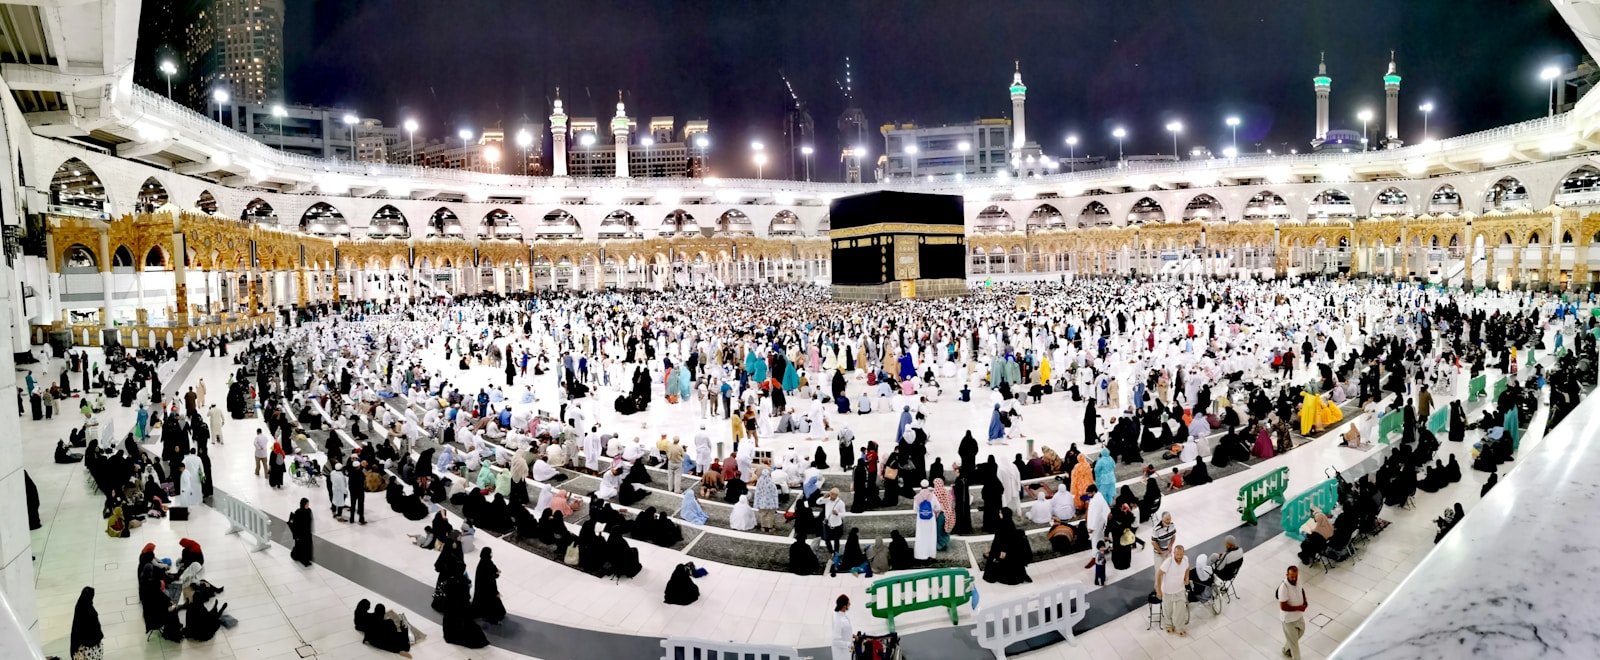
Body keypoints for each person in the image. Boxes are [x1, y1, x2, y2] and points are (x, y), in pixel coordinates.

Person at [1157, 544, 1191, 636]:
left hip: (1180, 590)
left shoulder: (1185, 560)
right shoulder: (1168, 562)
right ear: (1174, 553)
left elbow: (1187, 569)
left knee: (1180, 610)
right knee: (1168, 610)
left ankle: (1179, 627)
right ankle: (1168, 625)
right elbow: (1158, 574)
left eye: (1181, 554)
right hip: (1167, 591)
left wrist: (1186, 578)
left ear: (1183, 553)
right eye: (1177, 555)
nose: (1179, 557)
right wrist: (1158, 590)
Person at [1278, 565, 1308, 659]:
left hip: (1298, 616)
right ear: (1287, 575)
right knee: (1294, 645)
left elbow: (1301, 589)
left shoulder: (1298, 578)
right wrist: (1299, 607)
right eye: (1292, 576)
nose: (1294, 578)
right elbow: (1283, 606)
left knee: (1301, 632)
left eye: (1296, 576)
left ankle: (1286, 649)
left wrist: (1305, 600)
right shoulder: (1283, 587)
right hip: (1288, 620)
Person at [472, 547, 506, 623]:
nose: (491, 554)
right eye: (490, 552)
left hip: (483, 588)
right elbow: (490, 577)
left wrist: (496, 572)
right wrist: (496, 573)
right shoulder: (486, 563)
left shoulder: (484, 562)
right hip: (488, 589)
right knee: (492, 605)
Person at [70, 586, 103, 660]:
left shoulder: (79, 606)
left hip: (85, 645)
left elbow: (75, 629)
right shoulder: (90, 610)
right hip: (89, 647)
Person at [289, 498, 314, 566]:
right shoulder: (298, 512)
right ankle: (303, 559)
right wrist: (296, 536)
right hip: (301, 534)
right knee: (302, 547)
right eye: (306, 504)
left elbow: (310, 521)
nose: (308, 505)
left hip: (307, 533)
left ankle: (307, 559)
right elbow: (295, 525)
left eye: (308, 504)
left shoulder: (309, 510)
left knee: (307, 546)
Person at [823, 488, 846, 554]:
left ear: (836, 496)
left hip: (836, 525)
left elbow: (844, 515)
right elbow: (818, 502)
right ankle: (831, 551)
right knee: (826, 539)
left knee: (836, 540)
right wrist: (823, 497)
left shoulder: (841, 503)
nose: (831, 497)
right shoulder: (827, 499)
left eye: (833, 495)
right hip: (827, 523)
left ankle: (836, 553)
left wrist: (837, 513)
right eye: (831, 494)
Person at [831, 595, 855, 660]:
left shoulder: (841, 614)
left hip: (846, 652)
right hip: (841, 654)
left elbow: (844, 630)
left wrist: (852, 635)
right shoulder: (838, 620)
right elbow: (835, 641)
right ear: (844, 606)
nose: (850, 604)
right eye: (848, 603)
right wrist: (850, 645)